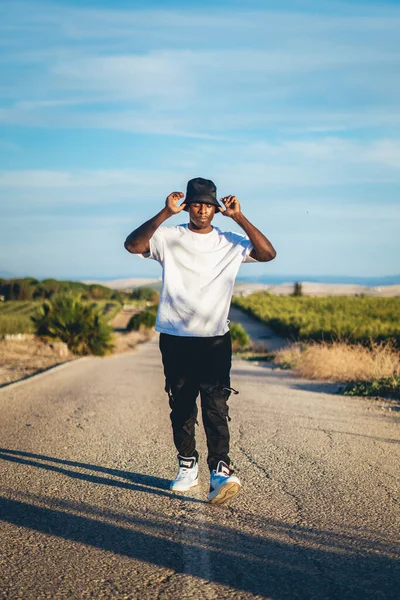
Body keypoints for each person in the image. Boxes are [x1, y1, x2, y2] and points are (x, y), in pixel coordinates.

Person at [124, 177, 276, 505]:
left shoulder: (230, 241)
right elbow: (133, 245)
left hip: (215, 339)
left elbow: (268, 254)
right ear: (188, 206)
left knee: (215, 405)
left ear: (216, 208)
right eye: (196, 204)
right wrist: (165, 213)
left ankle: (220, 468)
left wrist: (239, 217)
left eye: (208, 204)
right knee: (181, 405)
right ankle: (187, 463)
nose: (202, 210)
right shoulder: (168, 237)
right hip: (176, 338)